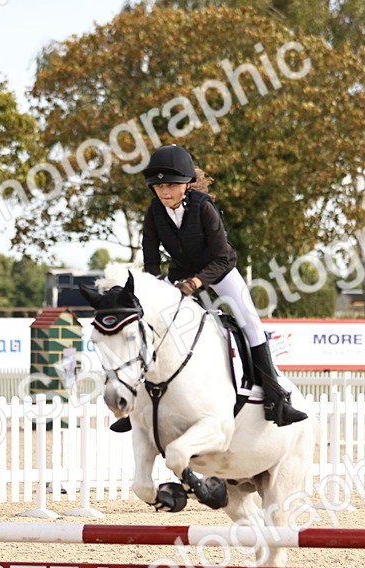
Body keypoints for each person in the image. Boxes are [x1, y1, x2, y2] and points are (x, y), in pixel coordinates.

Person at [109, 144, 307, 432]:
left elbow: (224, 256)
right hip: (181, 275)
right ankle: (137, 404)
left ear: (186, 184)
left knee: (249, 321)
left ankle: (276, 396)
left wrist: (197, 282)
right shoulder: (154, 212)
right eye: (159, 186)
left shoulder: (204, 208)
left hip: (219, 270)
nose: (164, 192)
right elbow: (150, 259)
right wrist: (157, 288)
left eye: (171, 185)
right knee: (152, 327)